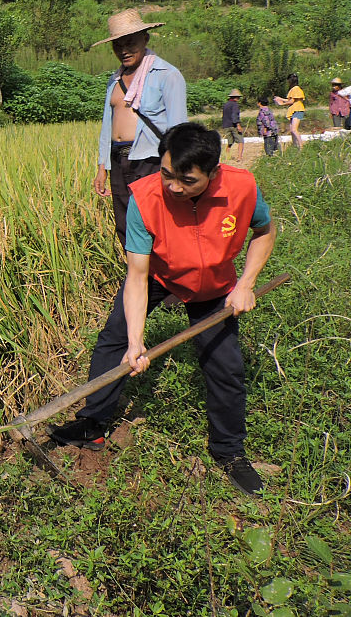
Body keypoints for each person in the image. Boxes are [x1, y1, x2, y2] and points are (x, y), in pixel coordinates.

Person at [52, 123, 277, 496]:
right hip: (160, 273)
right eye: (167, 174)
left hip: (212, 283)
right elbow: (137, 276)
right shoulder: (145, 197)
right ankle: (92, 423)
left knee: (225, 366)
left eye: (187, 180)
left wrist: (246, 284)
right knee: (115, 337)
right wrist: (136, 342)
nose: (174, 187)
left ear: (213, 173)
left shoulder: (241, 187)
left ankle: (229, 452)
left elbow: (264, 231)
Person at [92, 9, 188, 246]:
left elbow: (178, 129)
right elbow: (107, 126)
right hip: (118, 160)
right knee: (125, 225)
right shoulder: (114, 80)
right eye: (118, 45)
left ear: (145, 38)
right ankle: (137, 278)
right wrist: (102, 166)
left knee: (154, 223)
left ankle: (160, 280)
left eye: (130, 43)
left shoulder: (167, 75)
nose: (123, 50)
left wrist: (174, 168)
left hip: (151, 160)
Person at [273, 73, 305, 151]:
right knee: (292, 129)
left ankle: (301, 146)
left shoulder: (296, 89)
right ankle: (295, 146)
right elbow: (290, 100)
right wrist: (280, 99)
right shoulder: (294, 89)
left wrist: (282, 104)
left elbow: (291, 101)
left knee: (294, 129)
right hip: (295, 110)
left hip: (297, 110)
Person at [221, 89, 245, 162]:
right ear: (236, 97)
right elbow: (234, 116)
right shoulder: (235, 105)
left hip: (225, 125)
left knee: (230, 142)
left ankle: (227, 156)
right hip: (233, 125)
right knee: (241, 141)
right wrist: (238, 125)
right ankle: (239, 157)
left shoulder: (226, 104)